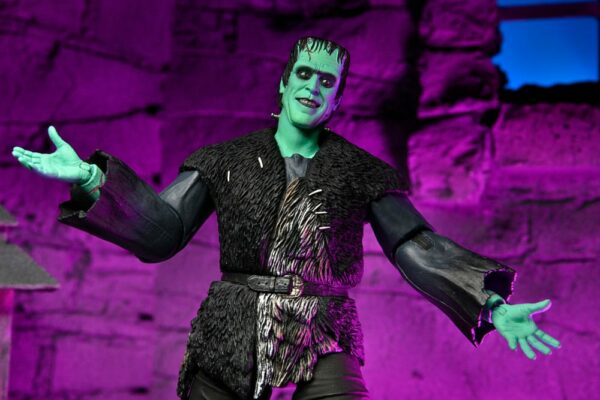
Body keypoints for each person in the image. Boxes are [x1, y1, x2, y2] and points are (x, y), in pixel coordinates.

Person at [12, 37, 561, 400]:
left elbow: (416, 245)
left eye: (327, 82)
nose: (312, 87)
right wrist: (92, 177)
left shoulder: (360, 171)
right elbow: (162, 231)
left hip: (323, 328)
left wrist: (489, 305)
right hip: (230, 327)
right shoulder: (223, 159)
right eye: (304, 73)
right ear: (283, 82)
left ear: (337, 99)